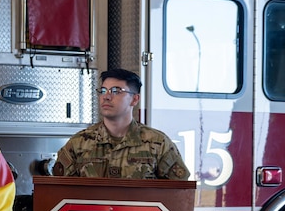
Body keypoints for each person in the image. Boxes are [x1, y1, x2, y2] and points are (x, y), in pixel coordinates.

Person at [52, 68, 191, 180]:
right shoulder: (79, 143)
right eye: (103, 91)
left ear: (134, 99)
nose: (106, 96)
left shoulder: (158, 143)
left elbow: (178, 194)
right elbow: (60, 192)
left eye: (116, 91)